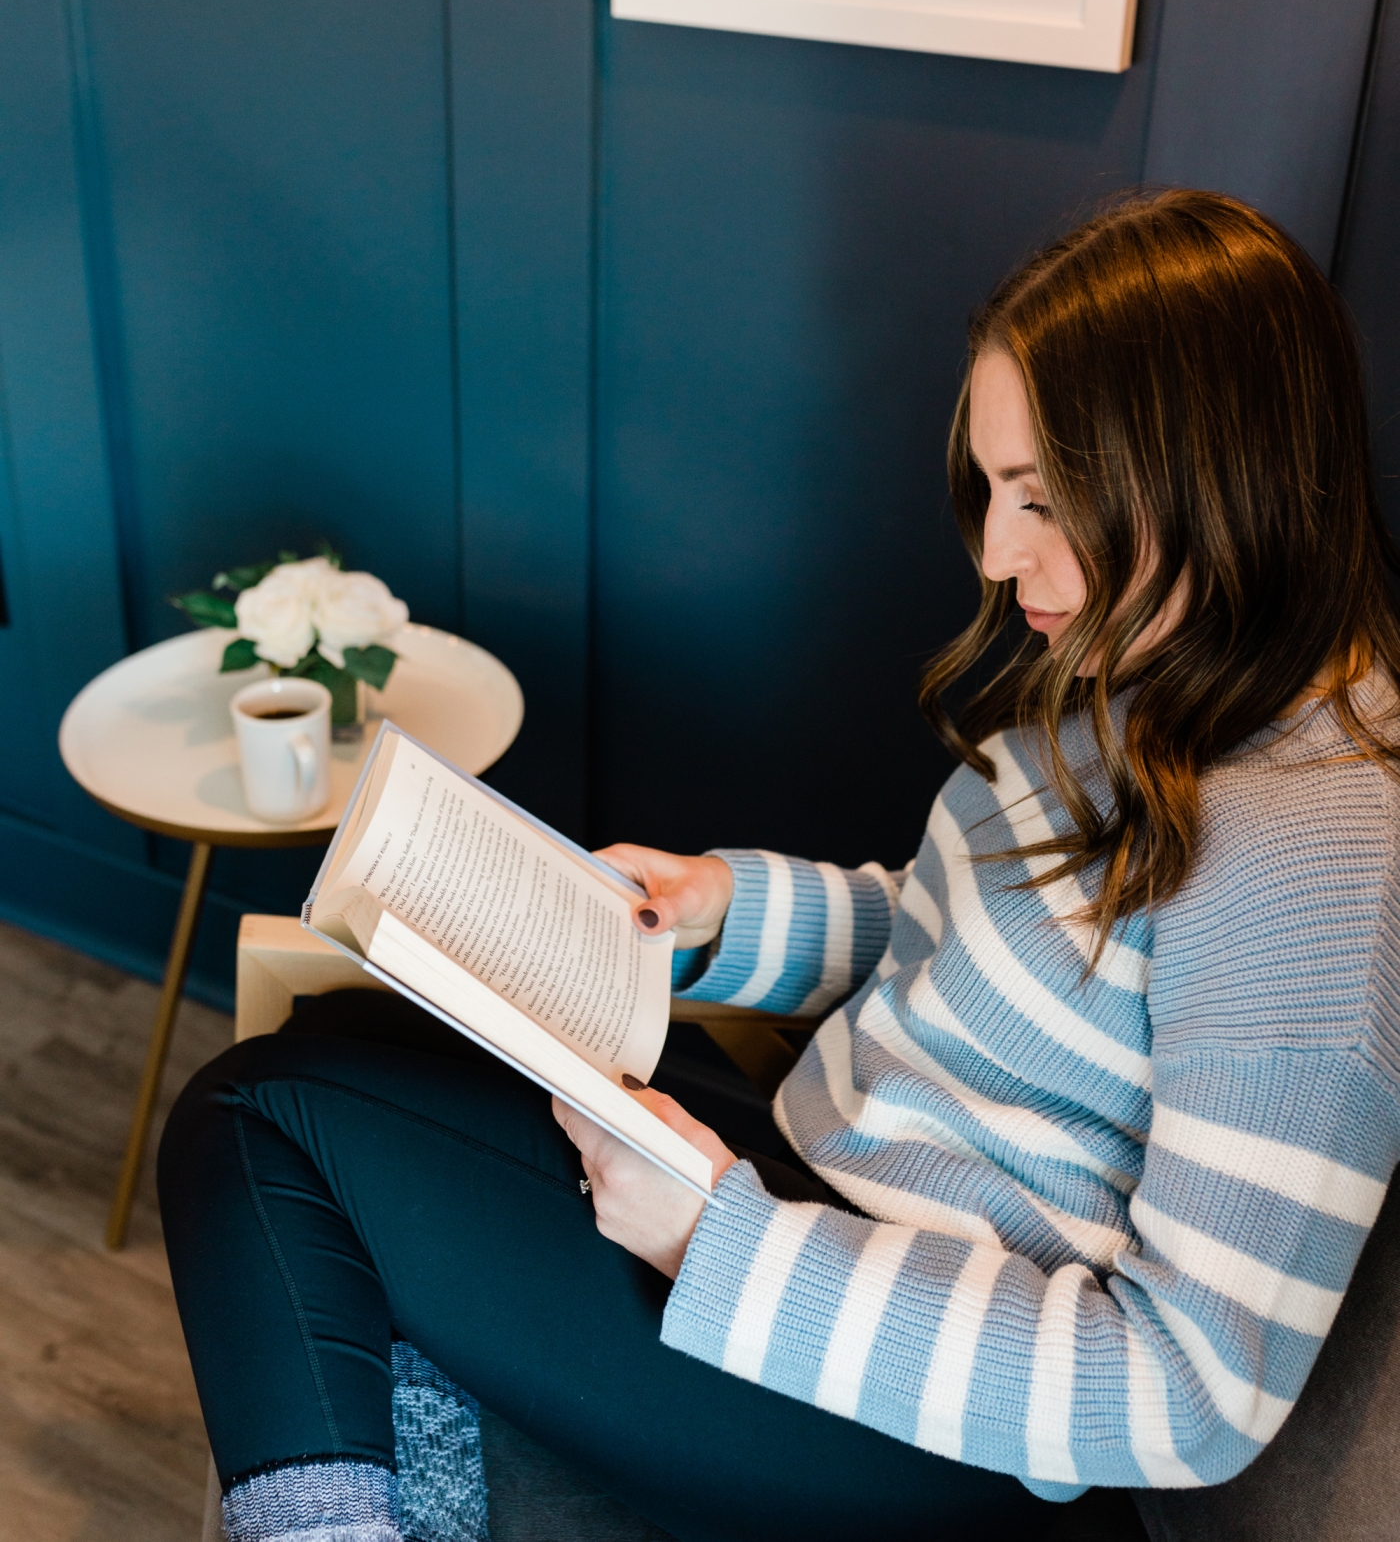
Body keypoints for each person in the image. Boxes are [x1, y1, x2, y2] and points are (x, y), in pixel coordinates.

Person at [160, 190, 1400, 1542]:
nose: (997, 553)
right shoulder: (1156, 669)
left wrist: (719, 1241)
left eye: (1045, 500)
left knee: (251, 1124)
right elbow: (960, 942)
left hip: (914, 1419)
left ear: (1219, 476)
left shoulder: (1317, 859)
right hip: (817, 1188)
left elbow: (1190, 1398)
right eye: (992, 490)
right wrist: (722, 913)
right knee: (347, 1034)